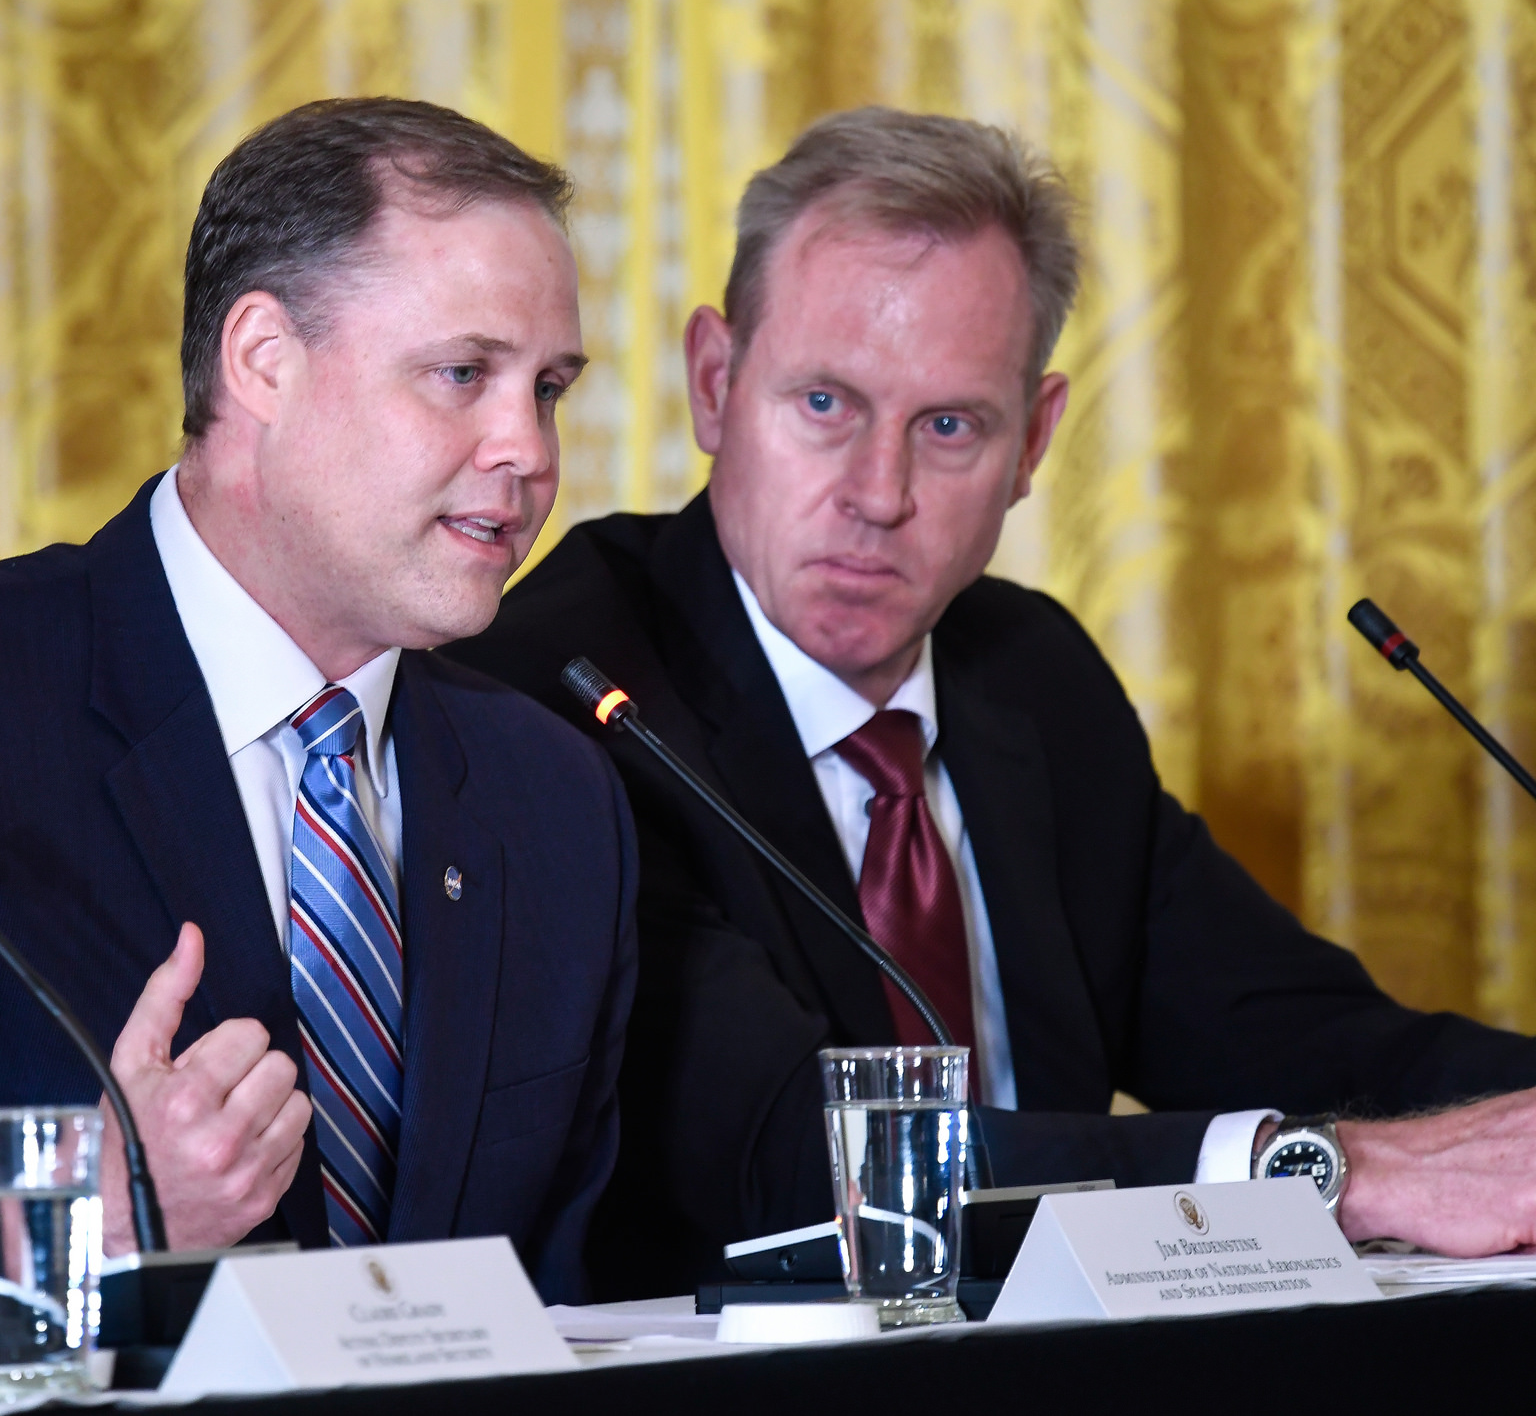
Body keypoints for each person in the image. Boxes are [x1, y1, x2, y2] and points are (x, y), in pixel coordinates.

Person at [446, 105, 1536, 1298]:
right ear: (715, 383)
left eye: (949, 426)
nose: (878, 493)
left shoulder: (1028, 677)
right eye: (824, 404)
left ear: (1033, 444)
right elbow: (794, 1159)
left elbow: (1303, 1031)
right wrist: (1330, 1173)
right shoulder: (569, 693)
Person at [0, 97, 635, 1306]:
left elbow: (569, 1305)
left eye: (549, 390)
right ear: (262, 359)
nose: (524, 449)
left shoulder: (552, 794)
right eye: (463, 373)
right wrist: (84, 1221)